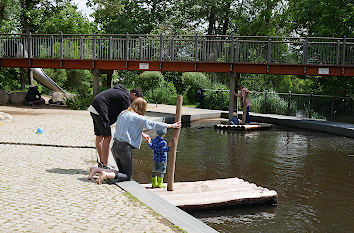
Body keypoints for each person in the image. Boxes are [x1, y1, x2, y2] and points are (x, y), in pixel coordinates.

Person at [88, 98, 181, 185]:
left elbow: (127, 128)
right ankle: (105, 174)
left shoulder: (123, 113)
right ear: (142, 108)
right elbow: (153, 124)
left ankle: (96, 169)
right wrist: (171, 126)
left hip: (115, 146)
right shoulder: (137, 117)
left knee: (121, 172)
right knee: (127, 175)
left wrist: (142, 134)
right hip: (124, 148)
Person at [88, 84, 144, 169]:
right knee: (108, 137)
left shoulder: (121, 92)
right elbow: (130, 117)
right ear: (133, 94)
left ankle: (101, 162)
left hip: (94, 107)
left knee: (99, 136)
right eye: (137, 99)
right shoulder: (126, 98)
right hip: (100, 109)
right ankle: (105, 166)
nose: (136, 103)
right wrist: (141, 132)